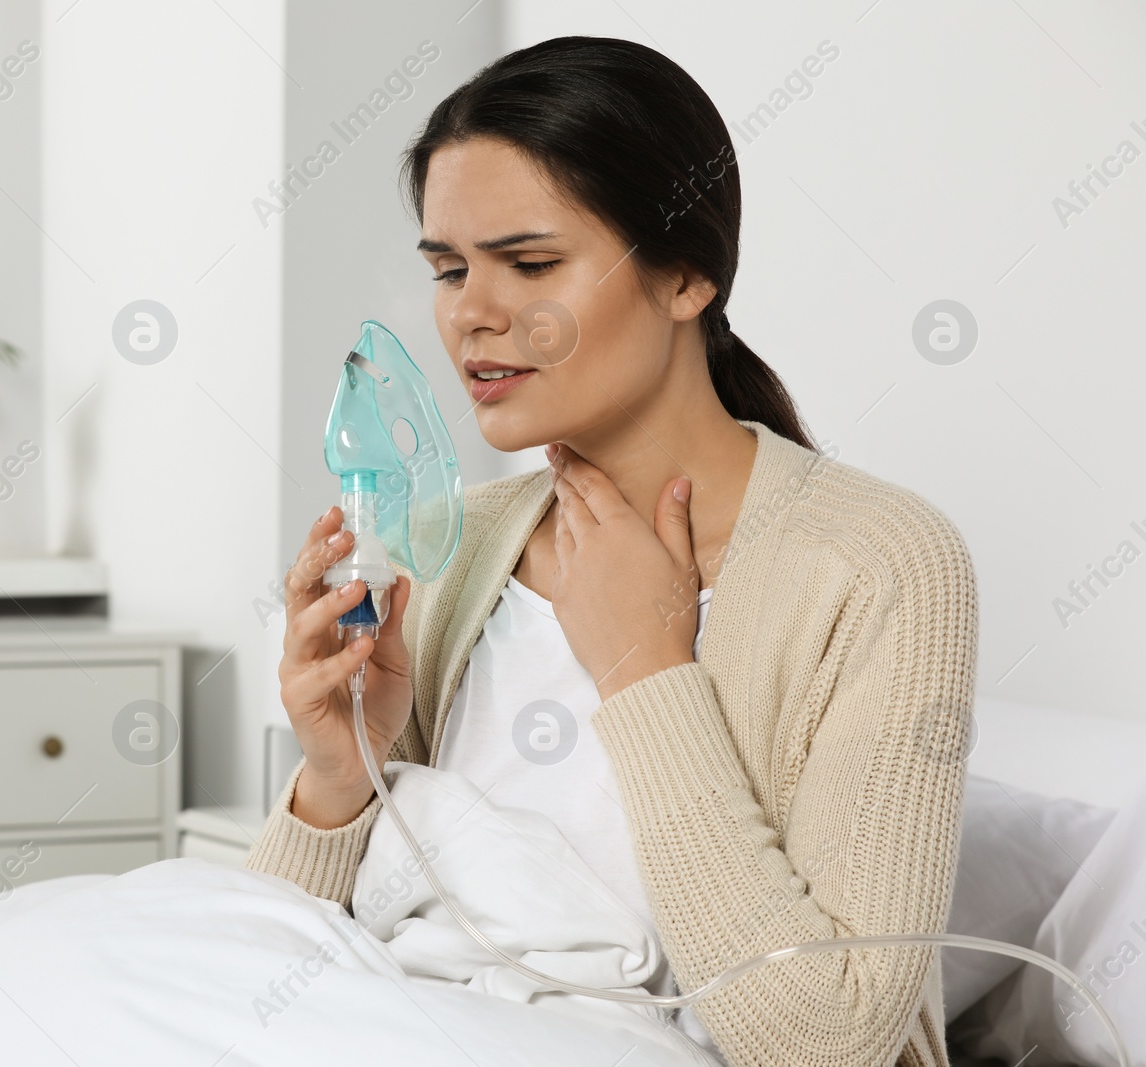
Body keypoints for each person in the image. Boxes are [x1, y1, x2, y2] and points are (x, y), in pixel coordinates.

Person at [246, 35, 978, 1067]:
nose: (471, 313)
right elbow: (246, 984)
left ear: (685, 275)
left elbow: (828, 1037)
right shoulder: (451, 551)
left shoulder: (877, 563)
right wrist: (335, 775)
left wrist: (643, 667)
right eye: (449, 269)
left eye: (530, 263)